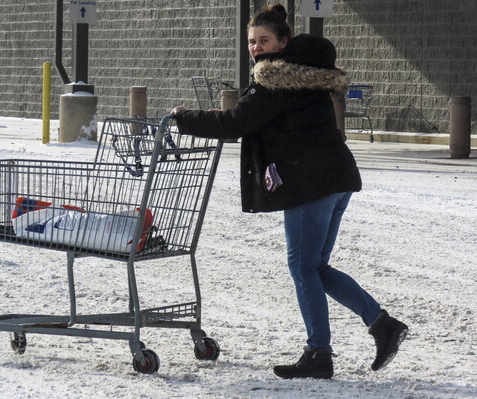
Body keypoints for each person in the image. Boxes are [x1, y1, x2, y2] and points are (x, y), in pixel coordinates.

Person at [170, 4, 408, 380]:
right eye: (251, 41)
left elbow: (237, 120)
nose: (256, 47)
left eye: (264, 40)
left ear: (284, 42)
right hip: (333, 177)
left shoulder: (277, 79)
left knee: (302, 266)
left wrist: (183, 119)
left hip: (308, 183)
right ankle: (381, 324)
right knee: (316, 267)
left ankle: (318, 353)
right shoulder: (307, 74)